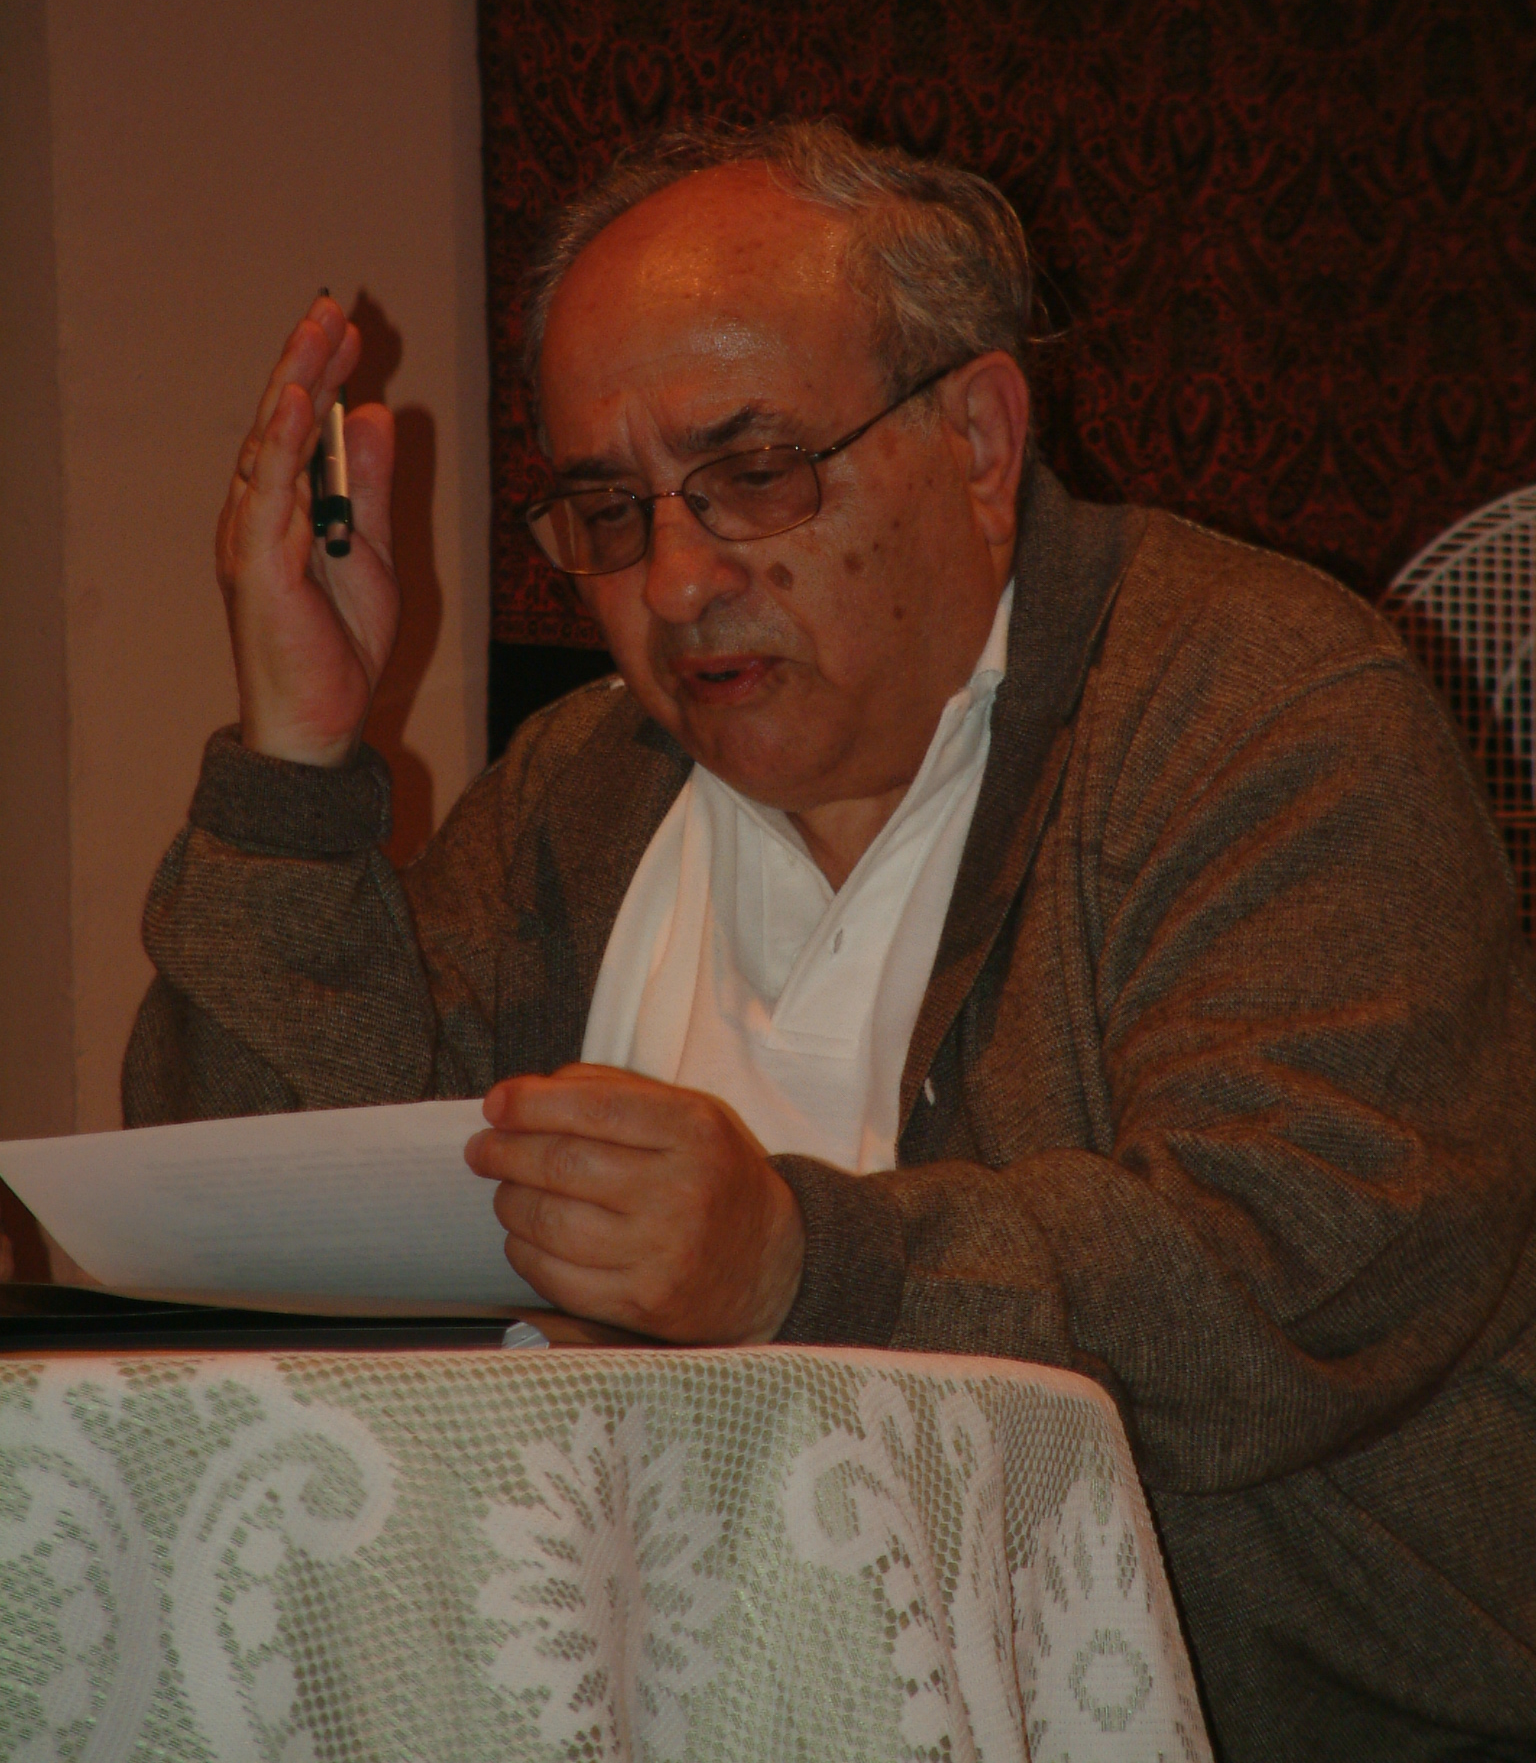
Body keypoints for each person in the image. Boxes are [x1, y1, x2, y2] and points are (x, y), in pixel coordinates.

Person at [124, 122, 1536, 1761]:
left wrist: (796, 1265)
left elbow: (1295, 1277)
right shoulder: (586, 789)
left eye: (753, 473)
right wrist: (297, 765)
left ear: (980, 440)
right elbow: (263, 1243)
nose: (677, 581)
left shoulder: (1259, 705)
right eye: (610, 508)